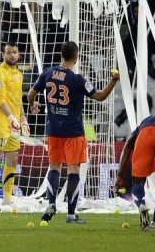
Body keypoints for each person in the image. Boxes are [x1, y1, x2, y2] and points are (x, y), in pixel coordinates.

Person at [27, 41, 119, 224]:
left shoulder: (47, 73)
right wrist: (114, 81)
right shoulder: (78, 80)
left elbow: (30, 93)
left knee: (54, 167)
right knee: (73, 170)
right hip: (73, 132)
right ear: (76, 56)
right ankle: (70, 214)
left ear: (62, 55)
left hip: (53, 130)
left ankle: (51, 204)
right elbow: (100, 96)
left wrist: (33, 105)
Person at [0, 41, 29, 206]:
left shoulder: (19, 74)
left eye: (14, 52)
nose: (12, 55)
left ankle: (7, 198)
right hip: (0, 123)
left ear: (19, 54)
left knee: (12, 161)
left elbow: (18, 101)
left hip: (14, 125)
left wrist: (22, 119)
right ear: (3, 55)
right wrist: (11, 118)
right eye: (8, 52)